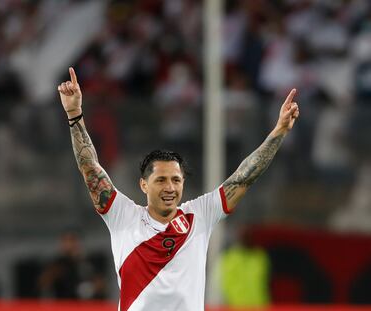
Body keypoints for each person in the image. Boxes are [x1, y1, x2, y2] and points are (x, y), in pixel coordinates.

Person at [57, 67, 299, 311]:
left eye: (176, 179)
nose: (170, 187)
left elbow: (245, 177)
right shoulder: (123, 215)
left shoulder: (200, 215)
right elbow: (90, 168)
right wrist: (75, 113)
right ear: (143, 184)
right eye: (161, 180)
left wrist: (278, 132)